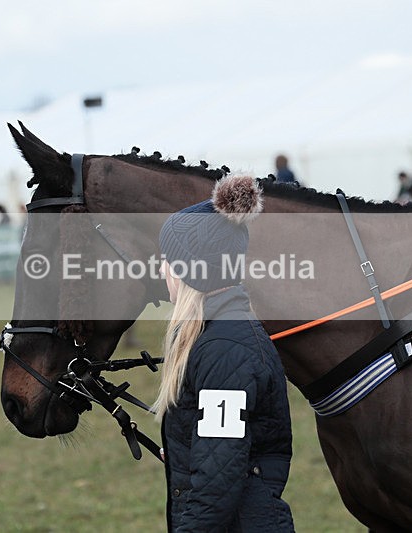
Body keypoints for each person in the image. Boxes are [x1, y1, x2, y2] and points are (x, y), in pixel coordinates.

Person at [156, 174, 295, 532]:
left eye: (168, 260)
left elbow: (218, 488)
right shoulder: (215, 337)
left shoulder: (226, 352)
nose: (161, 270)